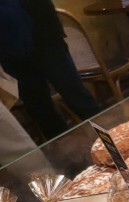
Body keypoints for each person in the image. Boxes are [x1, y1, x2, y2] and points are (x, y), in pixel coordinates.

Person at [0, 0, 101, 140]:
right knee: (40, 109)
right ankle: (69, 150)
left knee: (77, 97)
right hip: (11, 50)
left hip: (46, 38)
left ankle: (112, 143)